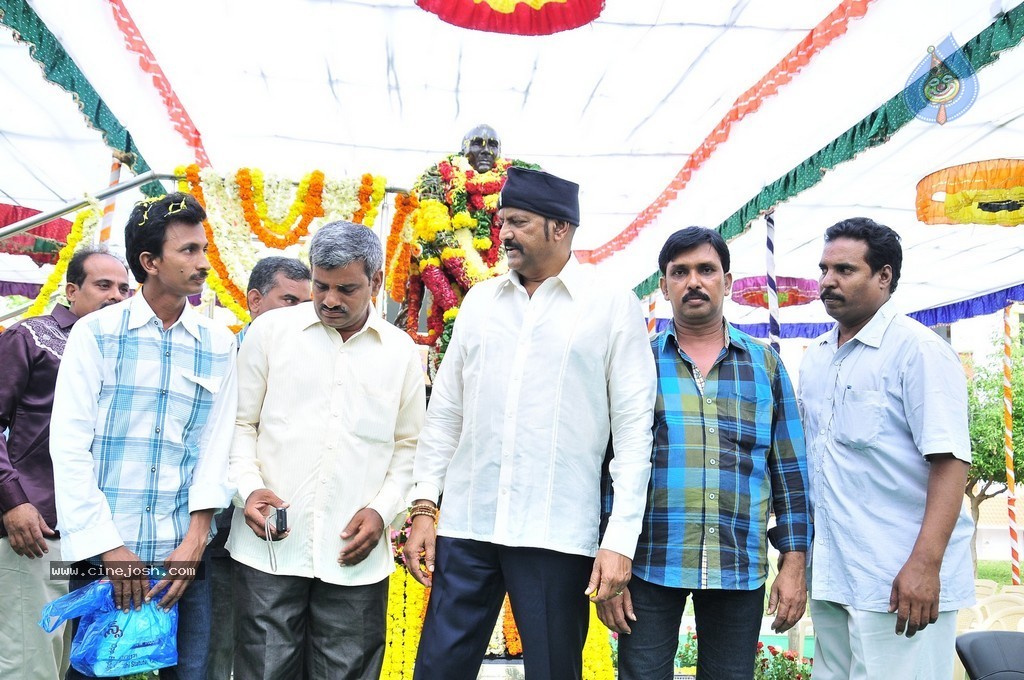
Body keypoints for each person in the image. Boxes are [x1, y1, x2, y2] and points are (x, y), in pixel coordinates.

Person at [404, 166, 657, 680]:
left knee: (553, 672)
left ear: (560, 228)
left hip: (554, 530)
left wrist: (618, 540)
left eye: (518, 222)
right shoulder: (480, 302)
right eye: (502, 222)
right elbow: (446, 411)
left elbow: (633, 433)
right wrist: (426, 506)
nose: (505, 234)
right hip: (471, 524)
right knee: (437, 669)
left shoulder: (610, 305)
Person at [598, 227, 811, 679]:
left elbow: (790, 472)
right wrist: (608, 561)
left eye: (706, 270)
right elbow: (608, 468)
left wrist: (794, 563)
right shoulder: (637, 362)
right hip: (649, 563)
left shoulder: (765, 365)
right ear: (664, 286)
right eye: (680, 272)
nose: (694, 281)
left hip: (737, 564)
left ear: (727, 282)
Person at [50, 193, 238, 680]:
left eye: (203, 248)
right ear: (149, 262)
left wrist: (196, 540)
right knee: (97, 673)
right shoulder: (97, 334)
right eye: (189, 251)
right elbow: (69, 447)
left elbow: (216, 448)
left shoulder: (218, 344)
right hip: (109, 553)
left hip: (183, 558)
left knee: (189, 673)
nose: (203, 263)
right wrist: (109, 549)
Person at [228, 221, 425, 679]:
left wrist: (382, 510)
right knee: (264, 672)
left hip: (354, 555)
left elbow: (410, 447)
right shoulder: (271, 333)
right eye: (321, 286)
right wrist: (249, 489)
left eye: (346, 289)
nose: (330, 300)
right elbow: (238, 424)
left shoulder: (400, 352)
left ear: (376, 282)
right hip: (270, 550)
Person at [798, 217, 974, 679]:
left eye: (844, 270)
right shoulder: (816, 358)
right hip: (834, 574)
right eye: (824, 269)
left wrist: (925, 565)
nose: (827, 281)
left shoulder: (918, 351)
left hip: (900, 580)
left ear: (884, 276)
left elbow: (951, 462)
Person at [0, 246, 129, 680]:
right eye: (103, 285)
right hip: (35, 528)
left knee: (72, 662)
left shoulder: (120, 350)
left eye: (124, 288)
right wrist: (12, 501)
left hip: (93, 534)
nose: (116, 296)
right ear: (72, 290)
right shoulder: (31, 337)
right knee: (28, 658)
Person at [206, 255, 310, 680]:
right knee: (216, 640)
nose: (303, 312)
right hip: (217, 521)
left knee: (268, 645)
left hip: (278, 527)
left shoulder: (310, 360)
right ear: (254, 300)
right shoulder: (216, 351)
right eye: (290, 300)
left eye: (308, 301)